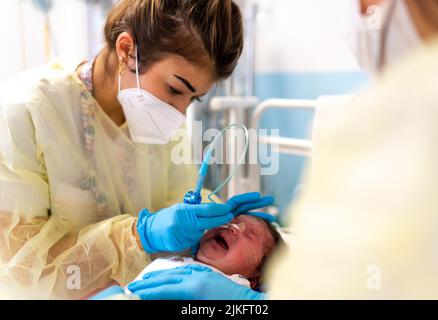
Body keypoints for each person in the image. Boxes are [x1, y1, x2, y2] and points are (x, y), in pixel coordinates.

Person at [127, 0, 438, 299]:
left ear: (256, 277)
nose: (232, 226)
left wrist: (244, 301)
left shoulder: (407, 120)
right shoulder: (173, 261)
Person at [0, 0, 275, 299]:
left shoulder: (161, 124)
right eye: (174, 89)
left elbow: (179, 202)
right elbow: (21, 268)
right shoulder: (26, 113)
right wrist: (138, 236)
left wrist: (215, 217)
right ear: (127, 49)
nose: (180, 114)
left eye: (193, 99)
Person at [91, 213, 284, 299]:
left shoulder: (234, 288)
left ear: (254, 278)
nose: (233, 228)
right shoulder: (177, 255)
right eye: (232, 221)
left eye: (250, 235)